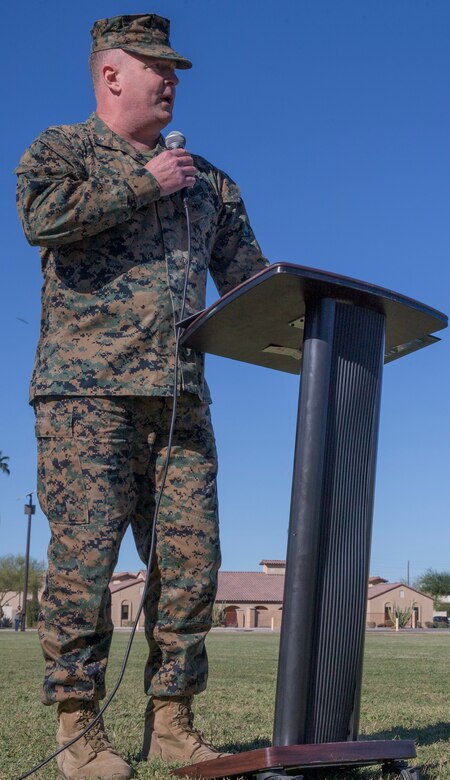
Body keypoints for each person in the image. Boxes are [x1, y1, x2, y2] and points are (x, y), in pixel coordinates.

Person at [16, 14, 268, 780]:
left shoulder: (210, 183)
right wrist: (139, 182)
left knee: (192, 567)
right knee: (84, 566)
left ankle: (172, 721)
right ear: (110, 74)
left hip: (180, 403)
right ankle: (78, 730)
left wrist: (306, 304)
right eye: (155, 65)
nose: (172, 79)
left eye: (176, 68)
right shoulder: (60, 151)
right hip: (84, 397)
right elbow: (39, 219)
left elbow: (249, 281)